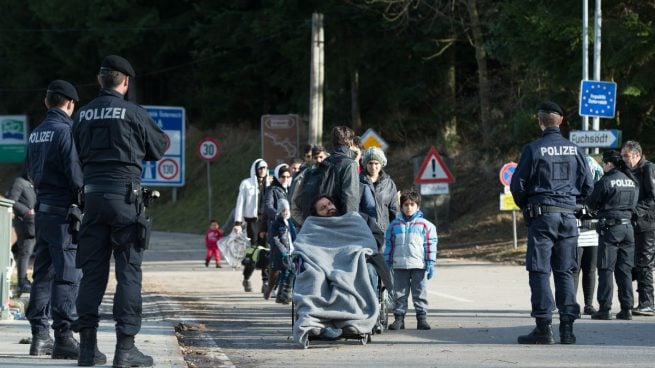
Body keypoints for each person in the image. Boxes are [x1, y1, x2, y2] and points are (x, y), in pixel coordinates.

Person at [72, 55, 167, 367]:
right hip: (125, 200)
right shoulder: (133, 113)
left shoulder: (82, 114)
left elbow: (73, 156)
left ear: (100, 80)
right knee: (128, 273)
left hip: (92, 201)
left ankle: (87, 350)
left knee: (92, 274)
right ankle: (125, 351)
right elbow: (159, 146)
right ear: (125, 82)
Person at [510, 101, 594, 345]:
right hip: (568, 217)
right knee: (566, 270)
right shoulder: (576, 150)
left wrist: (526, 206)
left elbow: (517, 185)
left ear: (540, 121)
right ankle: (567, 329)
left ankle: (543, 328)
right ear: (561, 121)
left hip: (543, 216)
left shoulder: (533, 149)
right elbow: (588, 186)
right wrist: (572, 202)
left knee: (539, 270)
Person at [24, 80, 83, 360]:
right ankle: (64, 337)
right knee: (67, 274)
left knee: (42, 274)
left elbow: (30, 172)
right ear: (70, 103)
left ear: (46, 102)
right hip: (62, 213)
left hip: (42, 210)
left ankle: (39, 336)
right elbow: (75, 175)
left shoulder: (36, 133)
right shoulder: (66, 131)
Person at [586, 150, 639, 320]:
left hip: (611, 229)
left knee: (605, 269)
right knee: (625, 270)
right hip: (628, 229)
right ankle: (627, 308)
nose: (603, 166)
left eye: (604, 163)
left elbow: (592, 203)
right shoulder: (631, 181)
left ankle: (605, 308)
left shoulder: (606, 180)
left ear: (610, 163)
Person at [620, 140, 655, 316]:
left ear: (637, 154)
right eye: (622, 155)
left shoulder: (648, 169)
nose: (623, 159)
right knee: (634, 263)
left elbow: (652, 197)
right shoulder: (628, 171)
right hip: (634, 223)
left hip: (648, 224)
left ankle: (647, 303)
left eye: (626, 155)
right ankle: (642, 300)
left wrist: (634, 211)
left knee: (645, 263)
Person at [233, 158, 270, 292]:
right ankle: (246, 277)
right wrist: (238, 222)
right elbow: (240, 203)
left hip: (265, 222)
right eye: (260, 168)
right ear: (255, 169)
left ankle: (265, 281)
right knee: (253, 251)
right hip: (251, 223)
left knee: (266, 251)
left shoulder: (270, 184)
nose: (262, 171)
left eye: (265, 168)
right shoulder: (246, 184)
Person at [574, 155, 604, 315]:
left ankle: (588, 304)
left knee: (590, 270)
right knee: (574, 269)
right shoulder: (573, 188)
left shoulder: (599, 189)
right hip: (576, 233)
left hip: (592, 234)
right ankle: (571, 304)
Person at [5, 168, 36, 296]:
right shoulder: (19, 182)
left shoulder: (32, 183)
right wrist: (26, 211)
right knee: (25, 251)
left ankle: (26, 280)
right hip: (24, 222)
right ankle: (22, 281)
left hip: (34, 223)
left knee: (29, 251)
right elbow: (12, 201)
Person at [360, 147, 400, 234]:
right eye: (370, 163)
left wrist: (396, 231)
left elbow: (394, 209)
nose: (373, 167)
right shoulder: (358, 181)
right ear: (365, 164)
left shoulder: (389, 184)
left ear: (381, 164)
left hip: (384, 233)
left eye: (376, 163)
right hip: (364, 232)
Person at [266, 199, 297, 303]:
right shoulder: (276, 224)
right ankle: (284, 295)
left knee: (288, 272)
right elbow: (274, 239)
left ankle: (282, 295)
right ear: (279, 212)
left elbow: (294, 237)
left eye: (287, 210)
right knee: (289, 271)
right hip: (281, 254)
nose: (286, 213)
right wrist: (283, 251)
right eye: (283, 210)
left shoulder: (290, 223)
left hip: (290, 251)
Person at [324, 126, 360, 215]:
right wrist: (350, 222)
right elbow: (350, 198)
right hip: (341, 219)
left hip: (322, 216)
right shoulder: (349, 164)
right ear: (350, 142)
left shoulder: (324, 162)